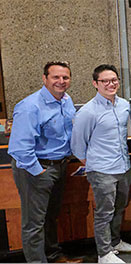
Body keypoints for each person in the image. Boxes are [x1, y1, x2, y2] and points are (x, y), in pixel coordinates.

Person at [71, 64, 131, 263]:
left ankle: (115, 242)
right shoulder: (88, 111)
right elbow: (77, 145)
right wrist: (93, 163)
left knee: (120, 207)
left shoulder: (124, 105)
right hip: (102, 171)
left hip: (123, 167)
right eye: (105, 81)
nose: (111, 84)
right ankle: (104, 253)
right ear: (95, 83)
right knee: (104, 212)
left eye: (114, 80)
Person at [9, 61, 76, 263]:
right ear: (44, 78)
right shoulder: (30, 106)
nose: (61, 81)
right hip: (37, 168)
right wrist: (39, 172)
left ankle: (53, 256)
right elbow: (20, 149)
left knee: (51, 216)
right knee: (34, 223)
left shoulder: (66, 100)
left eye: (65, 77)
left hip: (60, 166)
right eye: (55, 77)